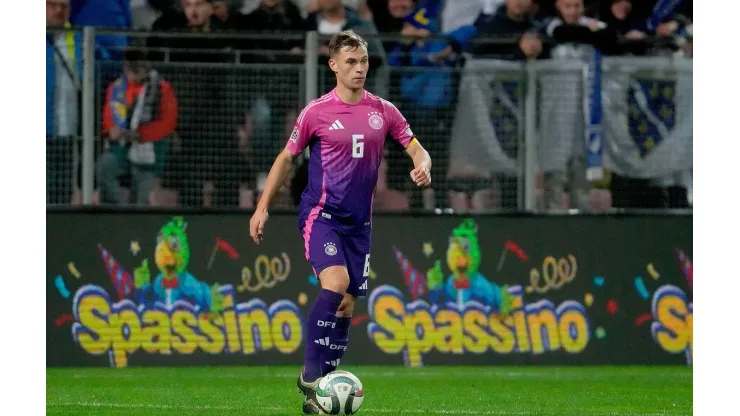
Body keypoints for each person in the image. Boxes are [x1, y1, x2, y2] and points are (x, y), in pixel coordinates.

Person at [248, 30, 431, 414]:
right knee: (336, 283)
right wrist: (263, 205)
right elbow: (286, 158)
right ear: (333, 65)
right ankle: (311, 376)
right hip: (321, 214)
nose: (359, 68)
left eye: (363, 61)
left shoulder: (384, 111)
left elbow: (416, 148)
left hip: (359, 224)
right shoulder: (316, 112)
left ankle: (322, 395)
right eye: (351, 62)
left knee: (346, 305)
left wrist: (422, 164)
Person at [98, 49, 178, 205]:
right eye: (130, 70)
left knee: (140, 198)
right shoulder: (117, 88)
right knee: (104, 166)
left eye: (138, 71)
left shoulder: (162, 89)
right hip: (122, 147)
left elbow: (168, 123)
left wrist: (141, 134)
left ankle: (133, 218)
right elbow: (110, 113)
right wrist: (111, 129)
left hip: (150, 149)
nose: (134, 76)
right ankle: (116, 211)